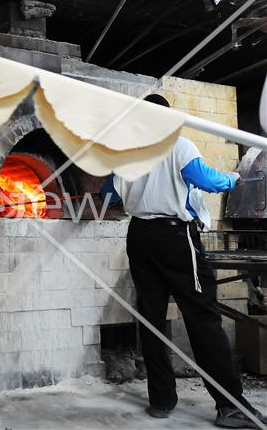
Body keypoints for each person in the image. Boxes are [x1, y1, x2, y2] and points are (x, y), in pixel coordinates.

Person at [100, 94, 267, 429]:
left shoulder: (125, 153)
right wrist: (233, 179)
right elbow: (208, 181)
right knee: (203, 317)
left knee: (151, 318)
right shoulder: (179, 145)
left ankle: (161, 401)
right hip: (175, 238)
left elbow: (110, 195)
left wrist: (143, 191)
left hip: (139, 237)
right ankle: (230, 406)